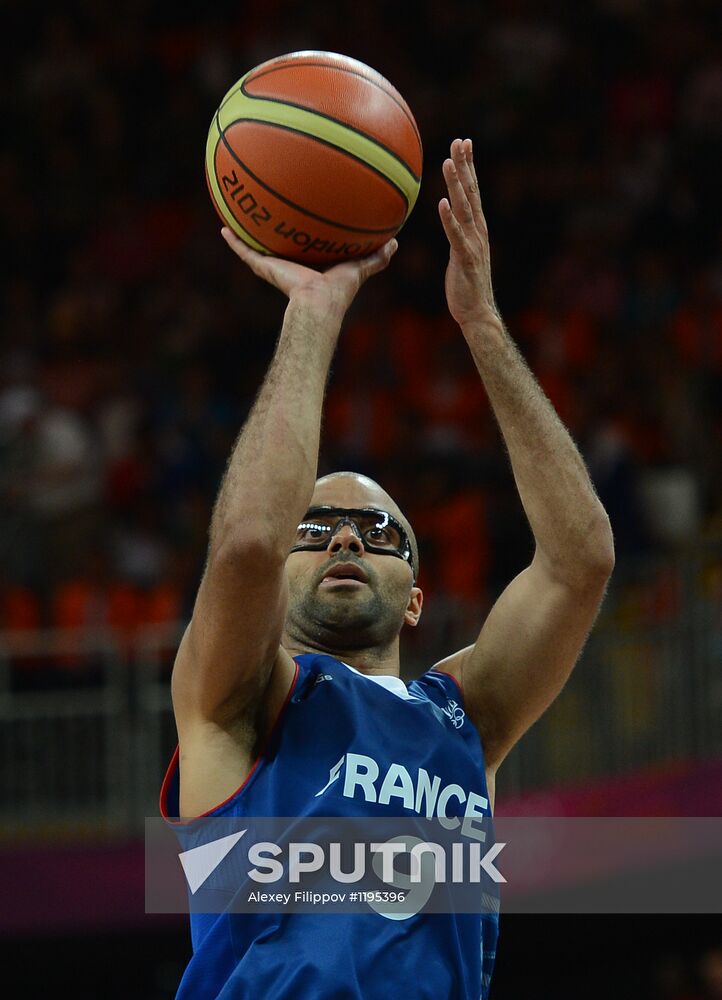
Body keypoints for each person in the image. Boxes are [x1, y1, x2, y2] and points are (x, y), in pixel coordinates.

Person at [160, 138, 615, 999]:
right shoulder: (244, 698)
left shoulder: (467, 717)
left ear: (416, 599)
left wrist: (482, 326)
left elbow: (581, 559)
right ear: (281, 580)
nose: (344, 540)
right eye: (317, 529)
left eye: (377, 531)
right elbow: (248, 542)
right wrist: (313, 312)